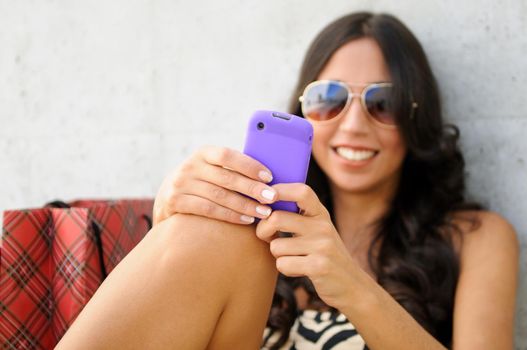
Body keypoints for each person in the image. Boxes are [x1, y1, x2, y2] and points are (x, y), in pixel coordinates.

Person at [56, 12, 519, 349]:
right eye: (329, 98)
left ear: (418, 116)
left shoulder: (477, 238)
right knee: (210, 229)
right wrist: (171, 226)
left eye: (384, 103)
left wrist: (351, 286)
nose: (354, 125)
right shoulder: (258, 233)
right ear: (303, 112)